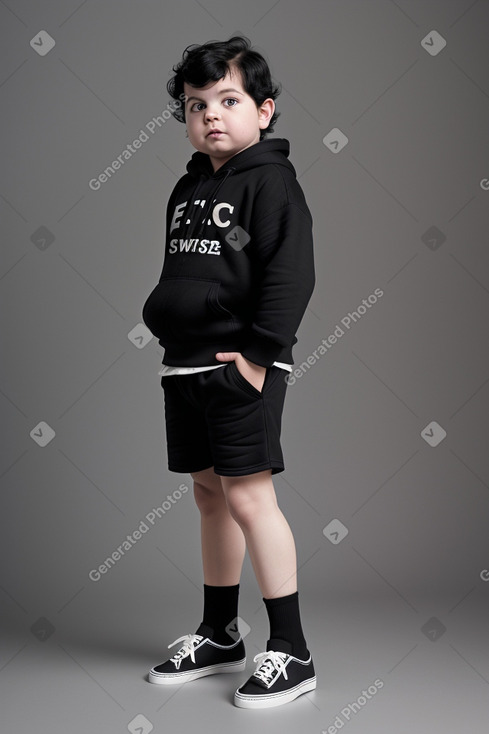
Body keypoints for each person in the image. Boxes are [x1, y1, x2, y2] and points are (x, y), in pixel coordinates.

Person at [142, 35, 316, 709]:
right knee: (209, 498)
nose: (211, 115)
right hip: (184, 367)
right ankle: (219, 633)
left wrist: (258, 353)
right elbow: (197, 267)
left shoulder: (272, 181)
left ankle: (292, 650)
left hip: (239, 369)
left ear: (264, 111)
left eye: (228, 100)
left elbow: (290, 273)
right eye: (195, 104)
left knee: (249, 500)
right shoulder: (189, 186)